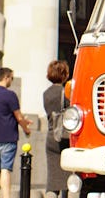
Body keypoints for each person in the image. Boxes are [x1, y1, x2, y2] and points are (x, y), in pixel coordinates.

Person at [0, 67, 33, 198]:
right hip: (8, 139)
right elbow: (18, 117)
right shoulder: (10, 95)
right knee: (5, 170)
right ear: (6, 77)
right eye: (11, 78)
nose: (12, 80)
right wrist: (26, 129)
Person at [44, 60, 72, 198]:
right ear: (64, 74)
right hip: (65, 137)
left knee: (53, 181)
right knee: (68, 179)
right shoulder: (65, 92)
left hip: (50, 136)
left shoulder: (46, 93)